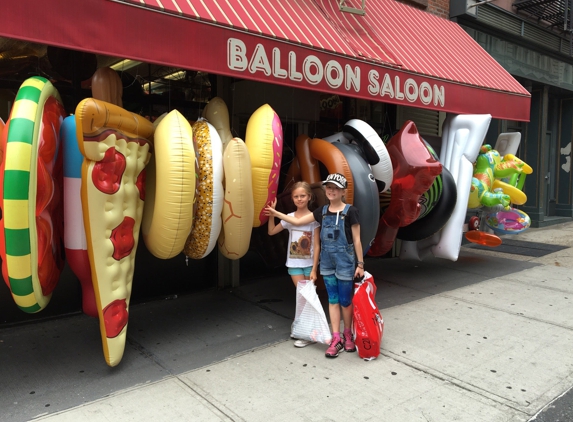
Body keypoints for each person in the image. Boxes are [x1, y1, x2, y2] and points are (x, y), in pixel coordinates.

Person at [265, 173, 364, 358]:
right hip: (325, 263)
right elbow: (293, 222)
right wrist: (276, 213)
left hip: (343, 262)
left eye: (335, 188)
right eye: (329, 187)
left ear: (343, 191)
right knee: (329, 299)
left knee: (345, 300)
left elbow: (357, 240)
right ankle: (334, 336)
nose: (331, 190)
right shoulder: (321, 212)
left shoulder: (350, 212)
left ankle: (347, 334)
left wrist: (360, 263)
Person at [268, 182, 321, 348]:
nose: (299, 199)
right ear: (292, 198)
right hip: (294, 264)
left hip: (309, 264)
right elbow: (271, 231)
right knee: (302, 297)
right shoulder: (289, 217)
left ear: (309, 197)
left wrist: (314, 268)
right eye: (296, 196)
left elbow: (317, 245)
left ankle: (308, 331)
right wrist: (271, 215)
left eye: (302, 196)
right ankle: (304, 330)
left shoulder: (313, 218)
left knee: (309, 297)